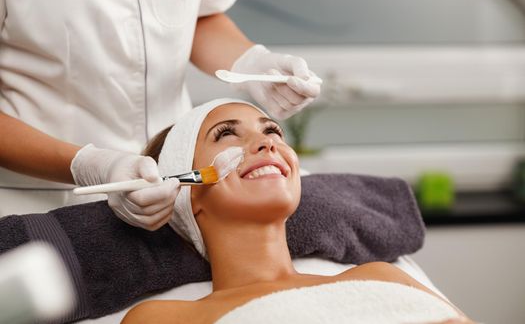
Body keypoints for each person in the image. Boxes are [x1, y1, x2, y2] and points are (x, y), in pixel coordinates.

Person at [0, 0, 321, 230]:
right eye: (225, 133)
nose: (265, 146)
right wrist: (89, 166)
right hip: (42, 201)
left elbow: (197, 15)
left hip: (175, 196)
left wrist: (251, 62)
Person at [121, 99, 475, 324]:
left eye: (272, 131)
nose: (268, 142)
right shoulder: (165, 318)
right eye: (226, 134)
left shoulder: (384, 277)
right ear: (186, 194)